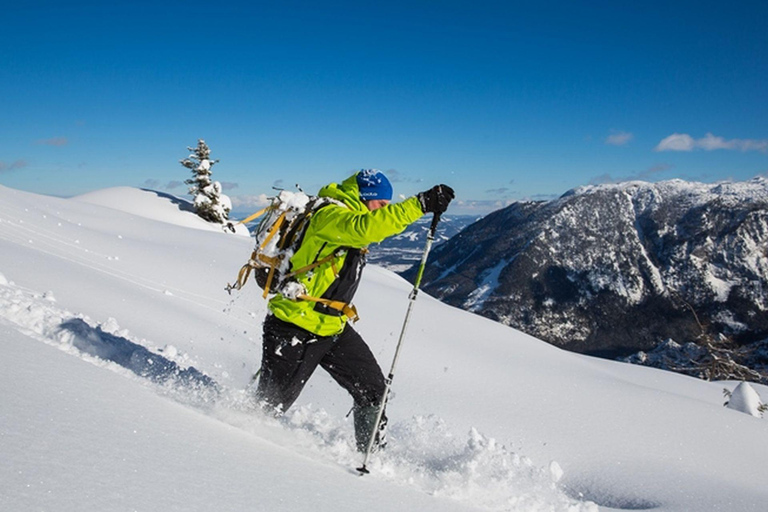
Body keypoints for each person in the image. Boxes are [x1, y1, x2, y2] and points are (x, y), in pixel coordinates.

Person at [254, 169, 454, 451]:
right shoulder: (331, 216)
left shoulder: (346, 218)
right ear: (365, 197)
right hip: (294, 327)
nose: (382, 210)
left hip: (331, 327)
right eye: (380, 204)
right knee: (265, 410)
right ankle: (236, 447)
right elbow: (368, 227)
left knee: (374, 392)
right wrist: (419, 204)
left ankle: (372, 458)